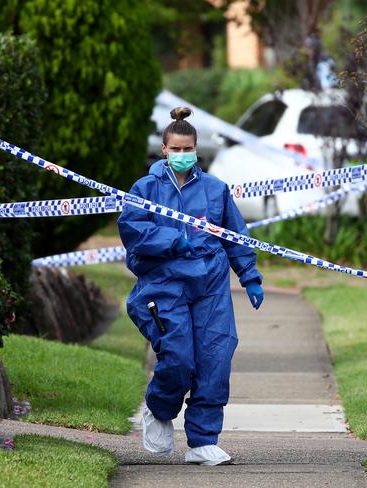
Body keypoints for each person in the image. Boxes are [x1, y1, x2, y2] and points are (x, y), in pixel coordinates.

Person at [118, 106, 264, 466]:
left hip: (211, 287)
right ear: (164, 150)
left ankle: (202, 440)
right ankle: (160, 408)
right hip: (164, 286)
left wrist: (250, 276)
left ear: (197, 150)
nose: (183, 155)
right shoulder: (145, 188)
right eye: (176, 149)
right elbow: (132, 230)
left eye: (189, 149)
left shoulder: (215, 190)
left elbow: (235, 234)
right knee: (178, 357)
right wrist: (172, 240)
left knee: (215, 358)